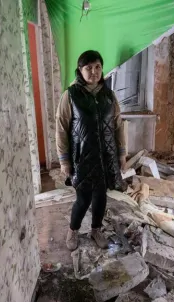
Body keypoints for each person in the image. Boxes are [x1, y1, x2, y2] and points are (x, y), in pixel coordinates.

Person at [55, 50, 127, 251]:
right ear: (80, 70)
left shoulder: (109, 95)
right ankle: (73, 230)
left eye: (97, 67)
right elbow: (61, 127)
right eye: (88, 68)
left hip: (106, 156)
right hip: (82, 157)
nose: (94, 72)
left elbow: (118, 125)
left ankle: (96, 230)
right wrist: (64, 161)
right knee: (83, 197)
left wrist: (121, 153)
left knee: (101, 195)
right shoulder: (70, 95)